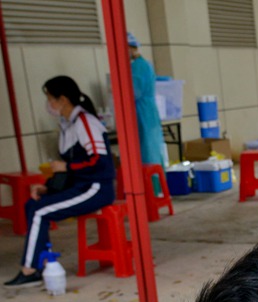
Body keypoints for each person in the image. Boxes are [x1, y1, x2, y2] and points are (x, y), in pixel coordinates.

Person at [5, 76, 115, 288]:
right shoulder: (67, 124)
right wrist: (48, 186)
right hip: (79, 186)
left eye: (50, 99)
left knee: (41, 212)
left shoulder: (85, 122)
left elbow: (101, 164)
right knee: (33, 205)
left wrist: (67, 168)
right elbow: (71, 168)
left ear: (62, 99)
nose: (49, 104)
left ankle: (30, 269)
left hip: (96, 188)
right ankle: (42, 261)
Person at [127, 32, 166, 166]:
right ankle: (157, 183)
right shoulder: (146, 65)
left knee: (146, 151)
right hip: (149, 111)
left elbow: (134, 91)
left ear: (130, 48)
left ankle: (150, 184)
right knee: (153, 148)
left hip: (142, 112)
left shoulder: (136, 67)